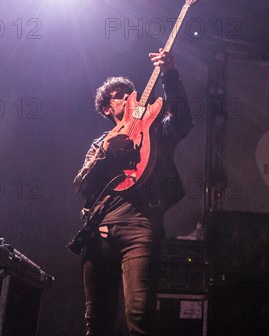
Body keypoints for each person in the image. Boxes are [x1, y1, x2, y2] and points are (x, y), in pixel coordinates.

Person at [72, 49, 192, 336]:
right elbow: (82, 185)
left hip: (140, 227)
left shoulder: (156, 130)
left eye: (128, 92)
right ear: (106, 109)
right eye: (116, 95)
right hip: (99, 231)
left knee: (140, 317)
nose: (125, 96)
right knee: (96, 321)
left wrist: (170, 75)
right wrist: (104, 152)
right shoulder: (100, 142)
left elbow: (183, 121)